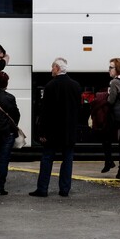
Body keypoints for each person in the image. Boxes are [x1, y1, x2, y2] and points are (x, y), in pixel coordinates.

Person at [30, 57, 82, 197]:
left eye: (52, 67)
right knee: (68, 159)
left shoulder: (50, 86)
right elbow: (79, 108)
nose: (51, 70)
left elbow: (45, 112)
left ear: (57, 68)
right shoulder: (75, 85)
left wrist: (42, 132)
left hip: (52, 131)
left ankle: (42, 189)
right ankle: (64, 189)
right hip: (69, 130)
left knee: (47, 158)